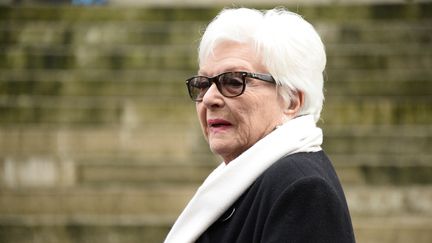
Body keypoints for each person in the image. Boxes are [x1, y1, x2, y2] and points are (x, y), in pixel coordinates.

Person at [164, 7, 355, 243]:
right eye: (203, 83)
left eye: (234, 81)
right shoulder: (245, 177)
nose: (210, 98)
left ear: (291, 100)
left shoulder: (302, 190)